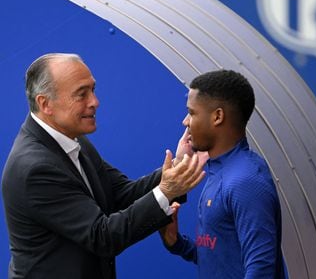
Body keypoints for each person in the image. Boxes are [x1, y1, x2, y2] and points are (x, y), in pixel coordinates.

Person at [1, 53, 207, 279]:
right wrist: (167, 190)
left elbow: (122, 195)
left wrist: (179, 166)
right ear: (45, 103)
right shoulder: (35, 168)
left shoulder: (72, 139)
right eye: (82, 94)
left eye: (93, 89)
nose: (95, 102)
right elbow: (102, 237)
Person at [160, 70, 288, 278]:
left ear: (217, 116)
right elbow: (222, 261)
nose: (185, 122)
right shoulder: (219, 170)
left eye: (192, 113)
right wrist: (177, 243)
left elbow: (260, 270)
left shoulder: (246, 181)